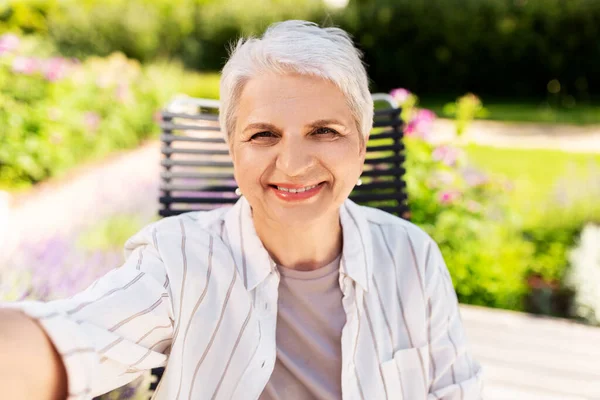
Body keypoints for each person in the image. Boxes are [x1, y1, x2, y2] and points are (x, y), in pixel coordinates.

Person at [0, 20, 483, 400]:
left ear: (362, 148)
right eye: (263, 134)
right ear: (233, 149)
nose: (293, 165)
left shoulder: (413, 257)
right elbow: (73, 337)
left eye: (324, 131)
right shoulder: (176, 259)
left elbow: (454, 389)